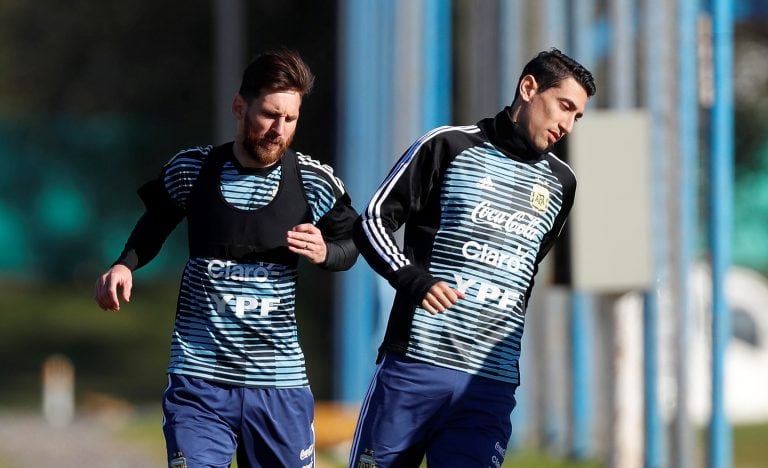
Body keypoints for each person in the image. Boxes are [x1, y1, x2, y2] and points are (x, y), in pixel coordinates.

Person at [94, 49, 358, 468]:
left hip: (279, 385)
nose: (279, 130)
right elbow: (155, 223)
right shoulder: (192, 170)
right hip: (199, 381)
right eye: (270, 114)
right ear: (239, 106)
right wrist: (124, 263)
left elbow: (351, 245)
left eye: (290, 119)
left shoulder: (314, 180)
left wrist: (327, 252)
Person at [348, 48, 596, 467]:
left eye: (577, 117)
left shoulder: (562, 183)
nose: (567, 125)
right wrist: (414, 280)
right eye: (564, 107)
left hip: (489, 383)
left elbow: (525, 271)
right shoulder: (447, 146)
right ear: (529, 88)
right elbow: (371, 221)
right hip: (416, 367)